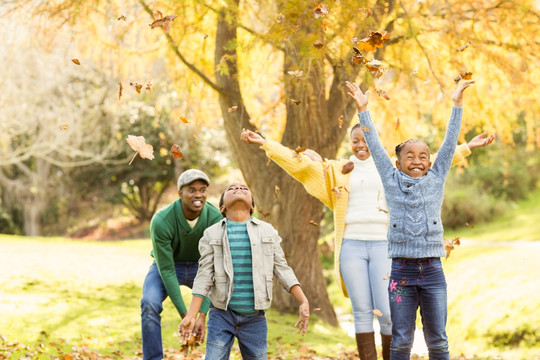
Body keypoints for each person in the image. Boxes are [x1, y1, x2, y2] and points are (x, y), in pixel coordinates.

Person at [240, 114, 493, 359]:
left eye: (365, 140)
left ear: (374, 141)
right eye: (356, 141)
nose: (361, 145)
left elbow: (434, 161)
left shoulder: (391, 170)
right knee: (361, 311)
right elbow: (300, 165)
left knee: (387, 312)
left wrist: (467, 147)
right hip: (352, 245)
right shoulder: (337, 170)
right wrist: (265, 143)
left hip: (385, 246)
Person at [346, 79, 474, 360]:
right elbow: (376, 146)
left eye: (423, 156)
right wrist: (363, 110)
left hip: (432, 271)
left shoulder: (437, 176)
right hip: (401, 273)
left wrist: (457, 105)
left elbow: (450, 141)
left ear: (430, 162)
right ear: (398, 162)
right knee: (401, 341)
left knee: (438, 341)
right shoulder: (391, 179)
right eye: (410, 156)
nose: (417, 160)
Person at [178, 183, 310, 359]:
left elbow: (281, 268)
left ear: (252, 206)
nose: (238, 189)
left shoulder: (267, 231)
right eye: (231, 189)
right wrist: (192, 315)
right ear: (222, 207)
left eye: (244, 189)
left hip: (255, 319)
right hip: (221, 315)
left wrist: (303, 300)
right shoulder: (212, 234)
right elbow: (203, 277)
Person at [141, 169, 223, 360]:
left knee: (224, 302)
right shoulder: (162, 220)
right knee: (149, 303)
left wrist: (201, 315)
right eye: (191, 190)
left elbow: (215, 269)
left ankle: (216, 355)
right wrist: (187, 315)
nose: (198, 195)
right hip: (168, 266)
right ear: (180, 193)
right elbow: (167, 270)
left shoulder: (215, 218)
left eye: (202, 190)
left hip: (201, 267)